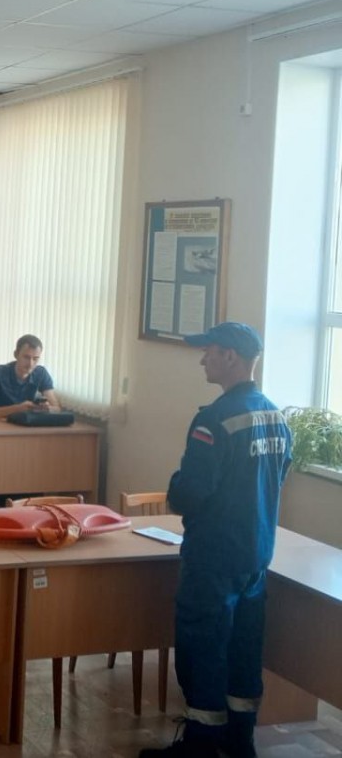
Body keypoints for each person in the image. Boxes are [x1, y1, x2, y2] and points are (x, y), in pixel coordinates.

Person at [140, 323, 292, 758]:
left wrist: (175, 488)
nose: (202, 359)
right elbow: (278, 478)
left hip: (213, 557)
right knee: (244, 650)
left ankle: (202, 747)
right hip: (255, 554)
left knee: (203, 649)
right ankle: (240, 742)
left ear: (230, 357)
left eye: (209, 351)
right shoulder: (275, 416)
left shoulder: (214, 419)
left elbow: (190, 493)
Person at [0, 334, 60, 420]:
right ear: (16, 354)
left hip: (25, 424)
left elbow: (57, 408)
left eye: (35, 359)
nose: (30, 364)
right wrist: (17, 409)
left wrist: (46, 408)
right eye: (26, 357)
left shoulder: (41, 373)